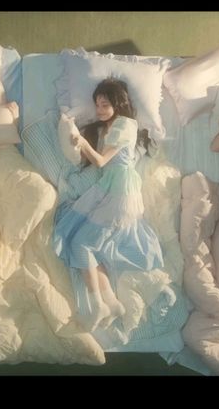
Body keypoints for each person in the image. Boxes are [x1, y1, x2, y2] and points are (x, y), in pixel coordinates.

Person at [53, 78, 163, 331]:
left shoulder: (124, 124)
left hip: (121, 193)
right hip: (112, 190)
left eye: (105, 105)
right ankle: (111, 303)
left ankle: (98, 306)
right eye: (97, 105)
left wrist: (83, 142)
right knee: (85, 245)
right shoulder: (112, 126)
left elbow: (101, 161)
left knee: (80, 243)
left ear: (118, 103)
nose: (100, 110)